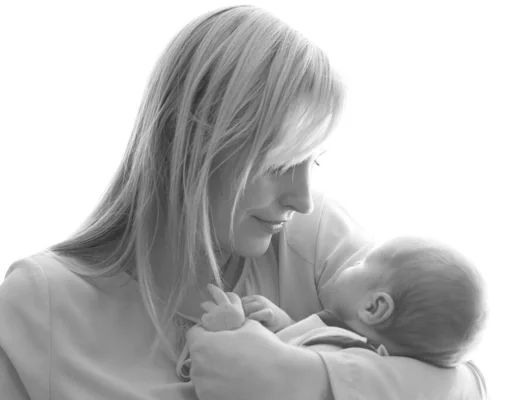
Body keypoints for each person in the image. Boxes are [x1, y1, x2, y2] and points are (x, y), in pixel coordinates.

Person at [0, 5, 487, 400]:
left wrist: (304, 379)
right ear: (189, 142)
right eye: (279, 165)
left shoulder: (314, 242)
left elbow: (463, 380)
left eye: (312, 162)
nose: (302, 198)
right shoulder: (41, 303)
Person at [185, 236, 486, 373]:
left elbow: (259, 373)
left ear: (373, 308)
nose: (352, 262)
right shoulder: (345, 349)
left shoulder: (341, 358)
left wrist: (233, 331)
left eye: (362, 264)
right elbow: (303, 353)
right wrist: (285, 325)